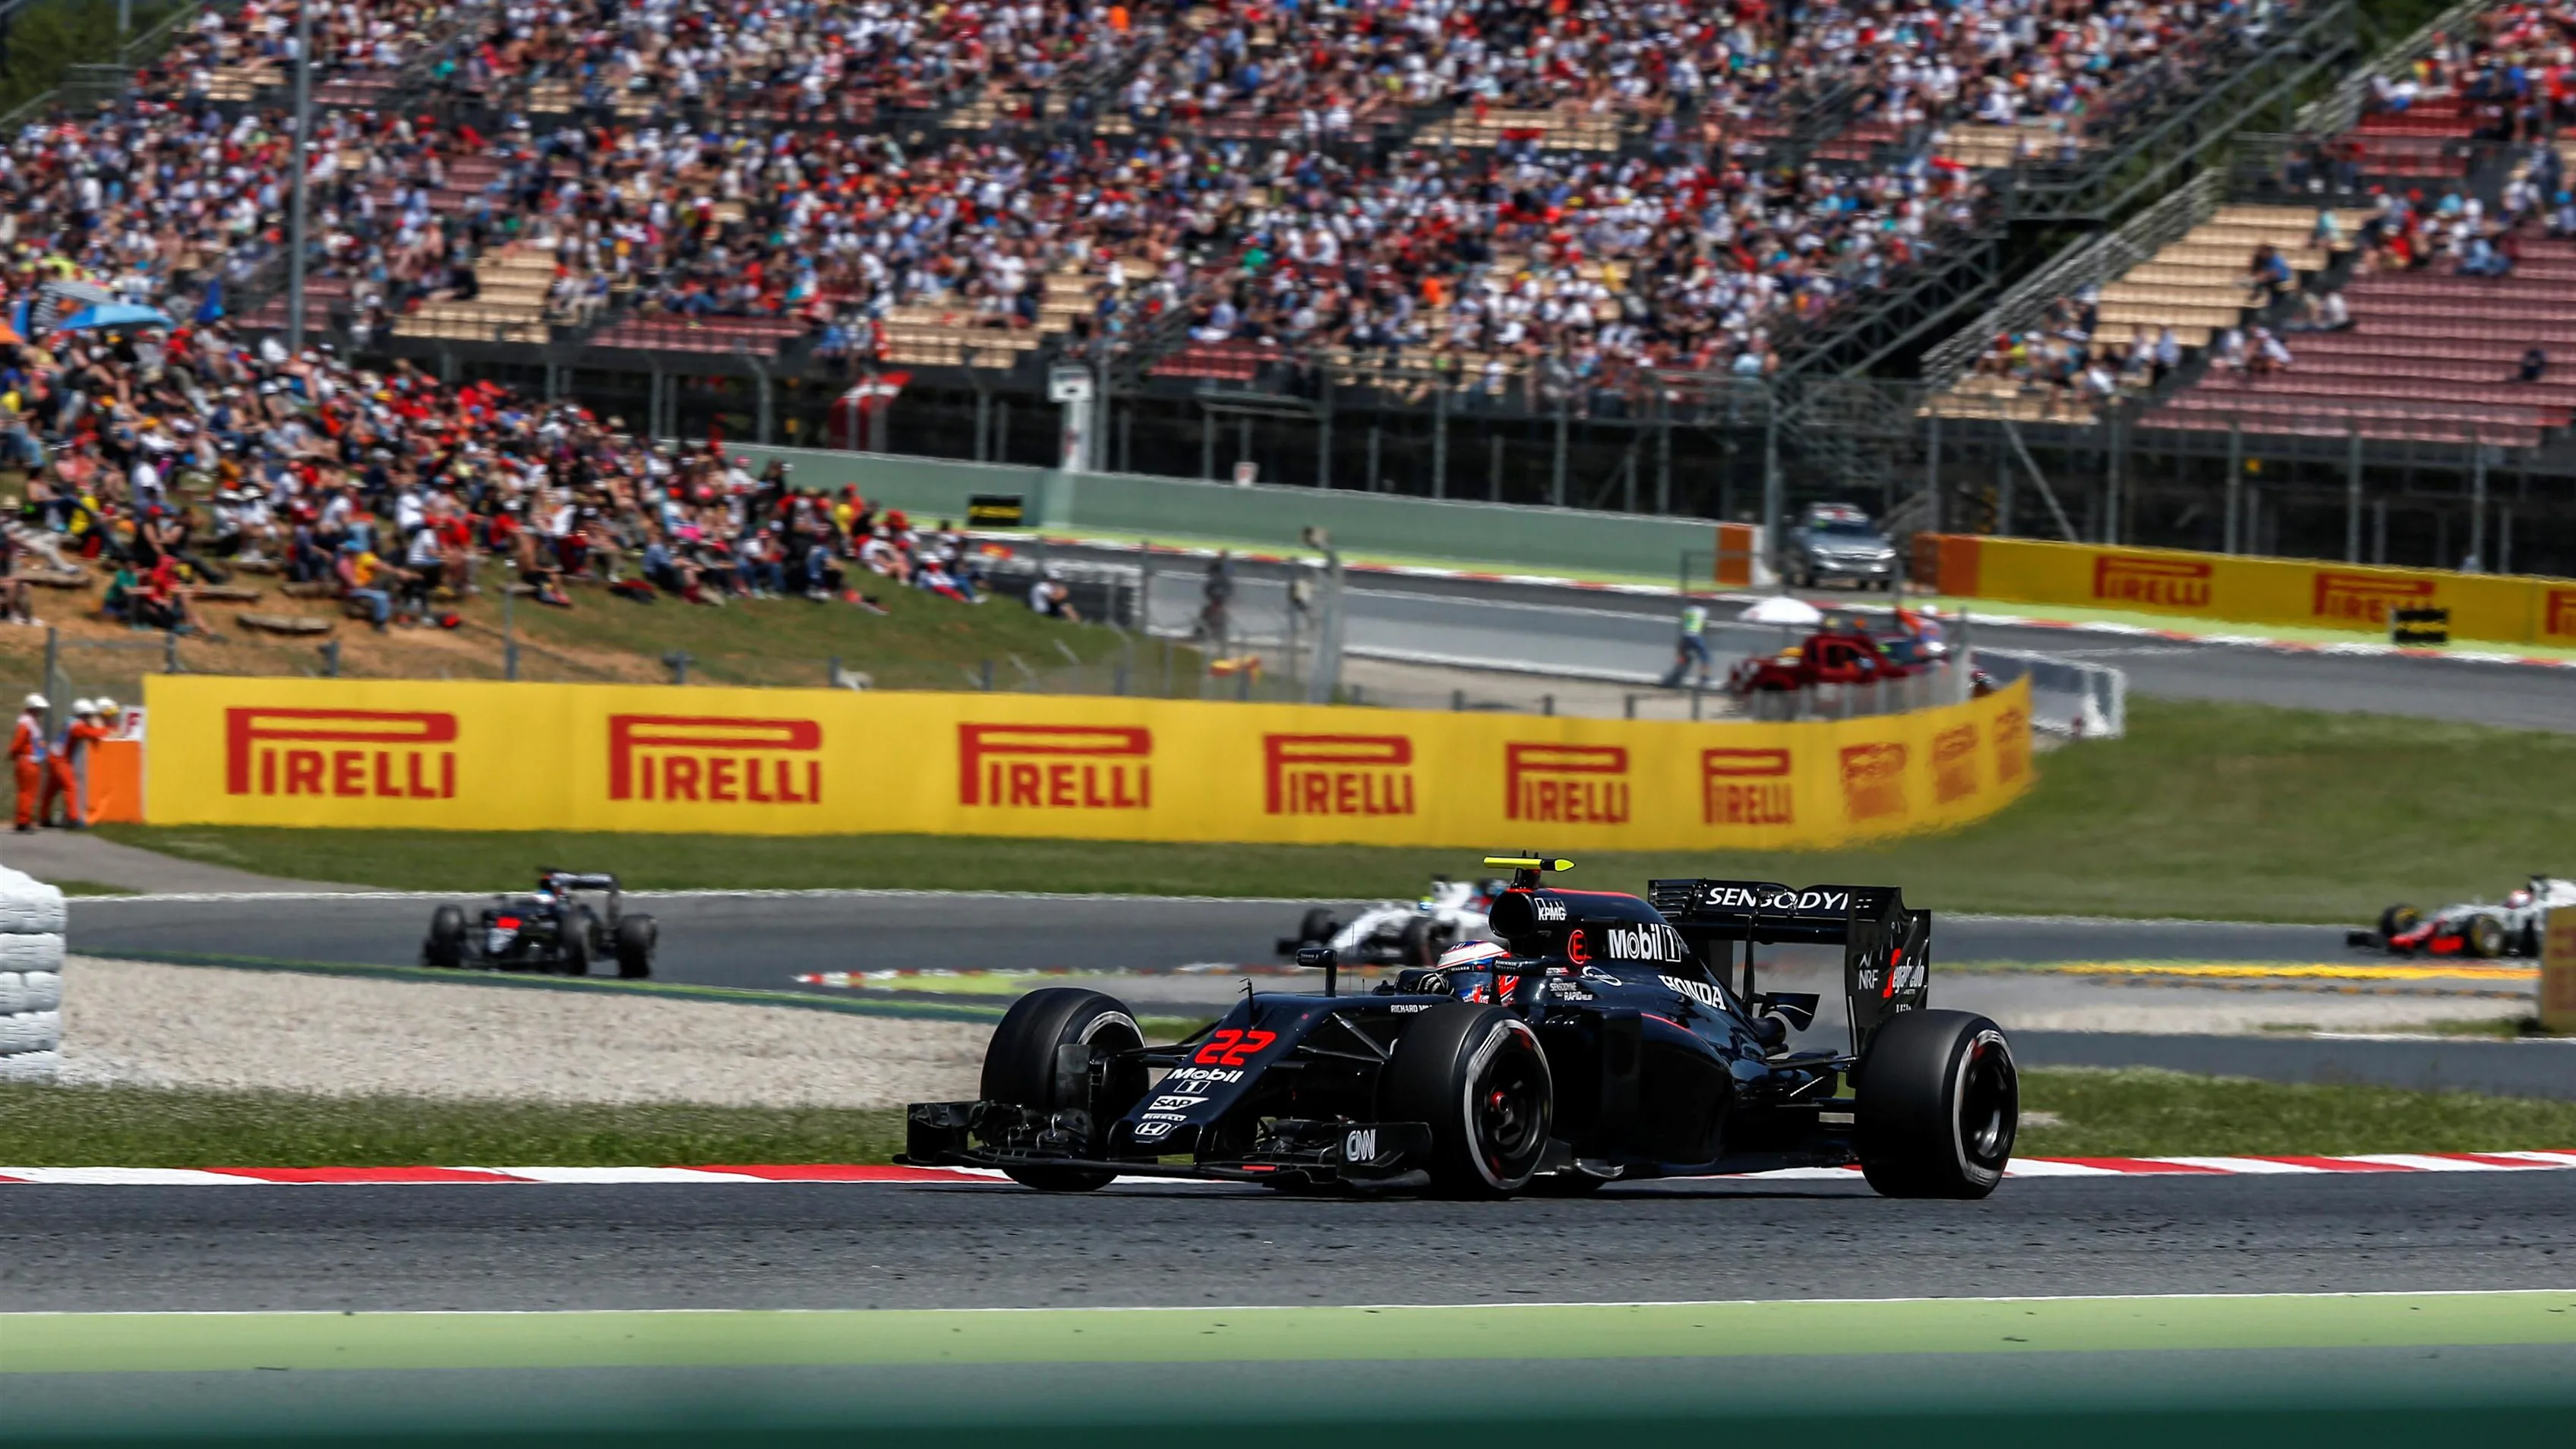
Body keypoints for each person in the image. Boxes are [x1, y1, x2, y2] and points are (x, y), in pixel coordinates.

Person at [9, 694, 49, 832]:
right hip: (28, 761)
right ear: (31, 708)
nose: (40, 712)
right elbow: (18, 742)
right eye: (38, 709)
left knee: (28, 793)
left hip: (31, 760)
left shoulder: (30, 722)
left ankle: (23, 820)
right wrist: (13, 753)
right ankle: (23, 821)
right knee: (27, 793)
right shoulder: (26, 722)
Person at [1663, 601, 1713, 688]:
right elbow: (1705, 622)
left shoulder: (1686, 610)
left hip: (1685, 635)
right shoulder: (1702, 610)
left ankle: (1675, 677)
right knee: (1705, 658)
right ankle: (1704, 677)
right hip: (1696, 636)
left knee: (1682, 657)